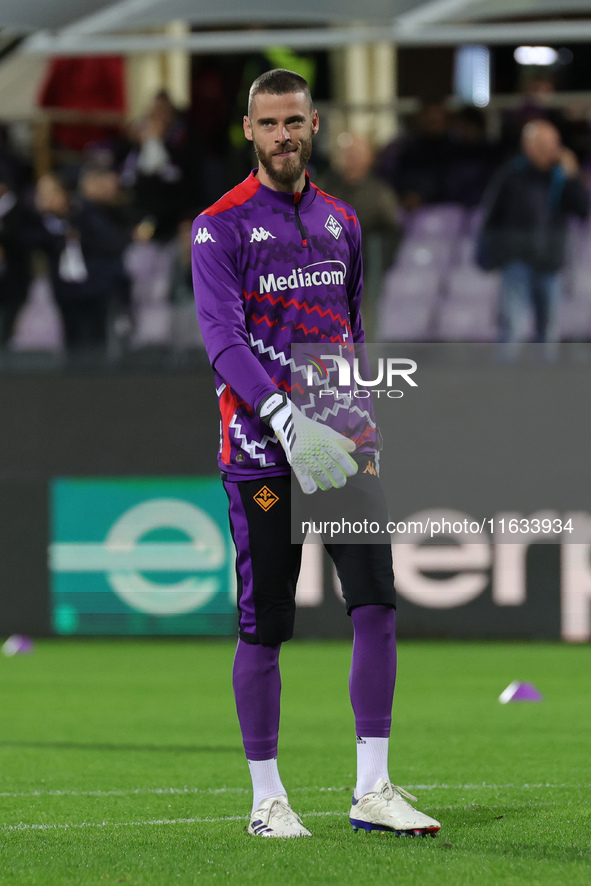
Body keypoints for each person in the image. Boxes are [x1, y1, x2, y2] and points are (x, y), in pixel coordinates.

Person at [192, 69, 440, 839]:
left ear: (314, 124)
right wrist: (282, 417)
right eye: (268, 125)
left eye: (293, 122)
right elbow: (222, 340)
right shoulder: (219, 225)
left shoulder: (340, 221)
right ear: (248, 131)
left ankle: (373, 788)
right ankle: (267, 800)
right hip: (263, 453)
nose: (282, 137)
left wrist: (354, 416)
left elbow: (351, 332)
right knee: (265, 628)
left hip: (341, 448)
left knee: (376, 605)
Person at [478, 119, 589, 352]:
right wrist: (492, 255)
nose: (551, 149)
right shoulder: (510, 175)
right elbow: (491, 218)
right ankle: (506, 384)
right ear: (528, 146)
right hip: (516, 262)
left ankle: (543, 386)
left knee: (548, 331)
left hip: (550, 262)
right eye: (544, 144)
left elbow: (582, 209)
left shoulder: (560, 177)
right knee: (514, 329)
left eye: (554, 144)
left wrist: (571, 176)